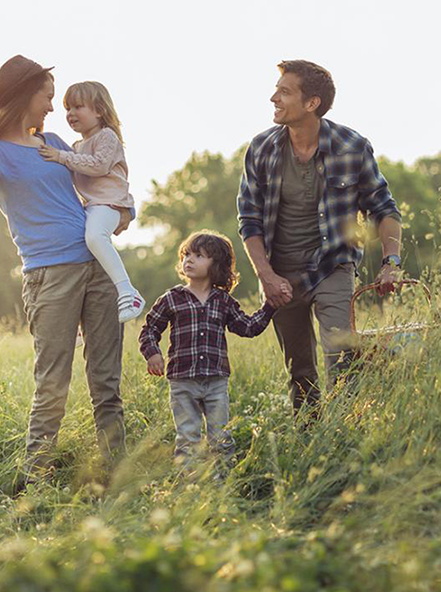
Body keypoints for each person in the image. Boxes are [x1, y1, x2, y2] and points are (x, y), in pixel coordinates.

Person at [0, 56, 129, 486]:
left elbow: (98, 180)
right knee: (52, 384)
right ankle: (35, 481)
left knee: (106, 383)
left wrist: (121, 212)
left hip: (97, 266)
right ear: (25, 96)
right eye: (48, 97)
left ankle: (119, 475)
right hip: (49, 275)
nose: (54, 108)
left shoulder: (53, 140)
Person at [237, 60, 404, 416]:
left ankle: (347, 432)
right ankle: (311, 442)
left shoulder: (352, 146)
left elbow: (385, 210)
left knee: (341, 358)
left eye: (284, 92)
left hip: (333, 265)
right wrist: (267, 276)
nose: (273, 98)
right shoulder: (262, 149)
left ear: (311, 103)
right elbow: (248, 220)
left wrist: (392, 263)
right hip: (280, 273)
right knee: (300, 373)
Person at [138, 231, 275, 474]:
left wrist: (270, 306)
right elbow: (149, 328)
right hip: (182, 381)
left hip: (215, 381)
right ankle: (189, 484)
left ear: (216, 265)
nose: (189, 260)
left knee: (220, 437)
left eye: (199, 256)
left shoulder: (223, 301)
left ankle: (221, 483)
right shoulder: (172, 298)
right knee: (188, 437)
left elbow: (247, 327)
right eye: (186, 255)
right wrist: (152, 353)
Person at [37, 81, 145, 323]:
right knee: (76, 246)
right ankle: (73, 320)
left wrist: (61, 157)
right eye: (67, 108)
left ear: (98, 110)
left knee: (95, 237)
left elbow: (98, 165)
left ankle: (128, 291)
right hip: (93, 207)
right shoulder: (76, 146)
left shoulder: (106, 137)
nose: (70, 114)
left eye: (78, 107)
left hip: (112, 203)